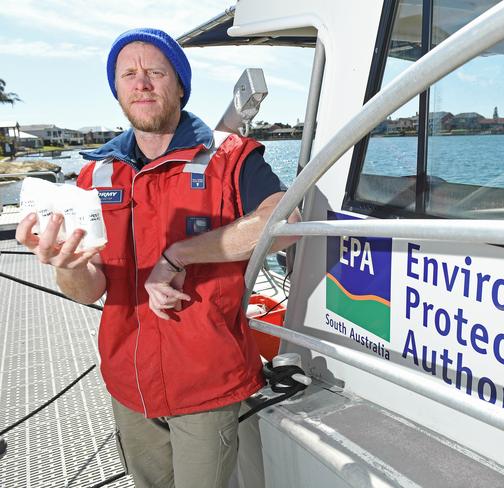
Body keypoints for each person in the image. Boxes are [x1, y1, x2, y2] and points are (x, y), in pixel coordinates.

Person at [16, 28, 300, 488]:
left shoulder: (231, 156)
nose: (141, 82)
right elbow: (91, 288)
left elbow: (283, 223)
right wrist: (66, 265)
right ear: (117, 91)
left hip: (208, 385)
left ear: (180, 86)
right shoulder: (95, 174)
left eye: (155, 71)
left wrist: (179, 254)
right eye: (128, 74)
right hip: (128, 384)